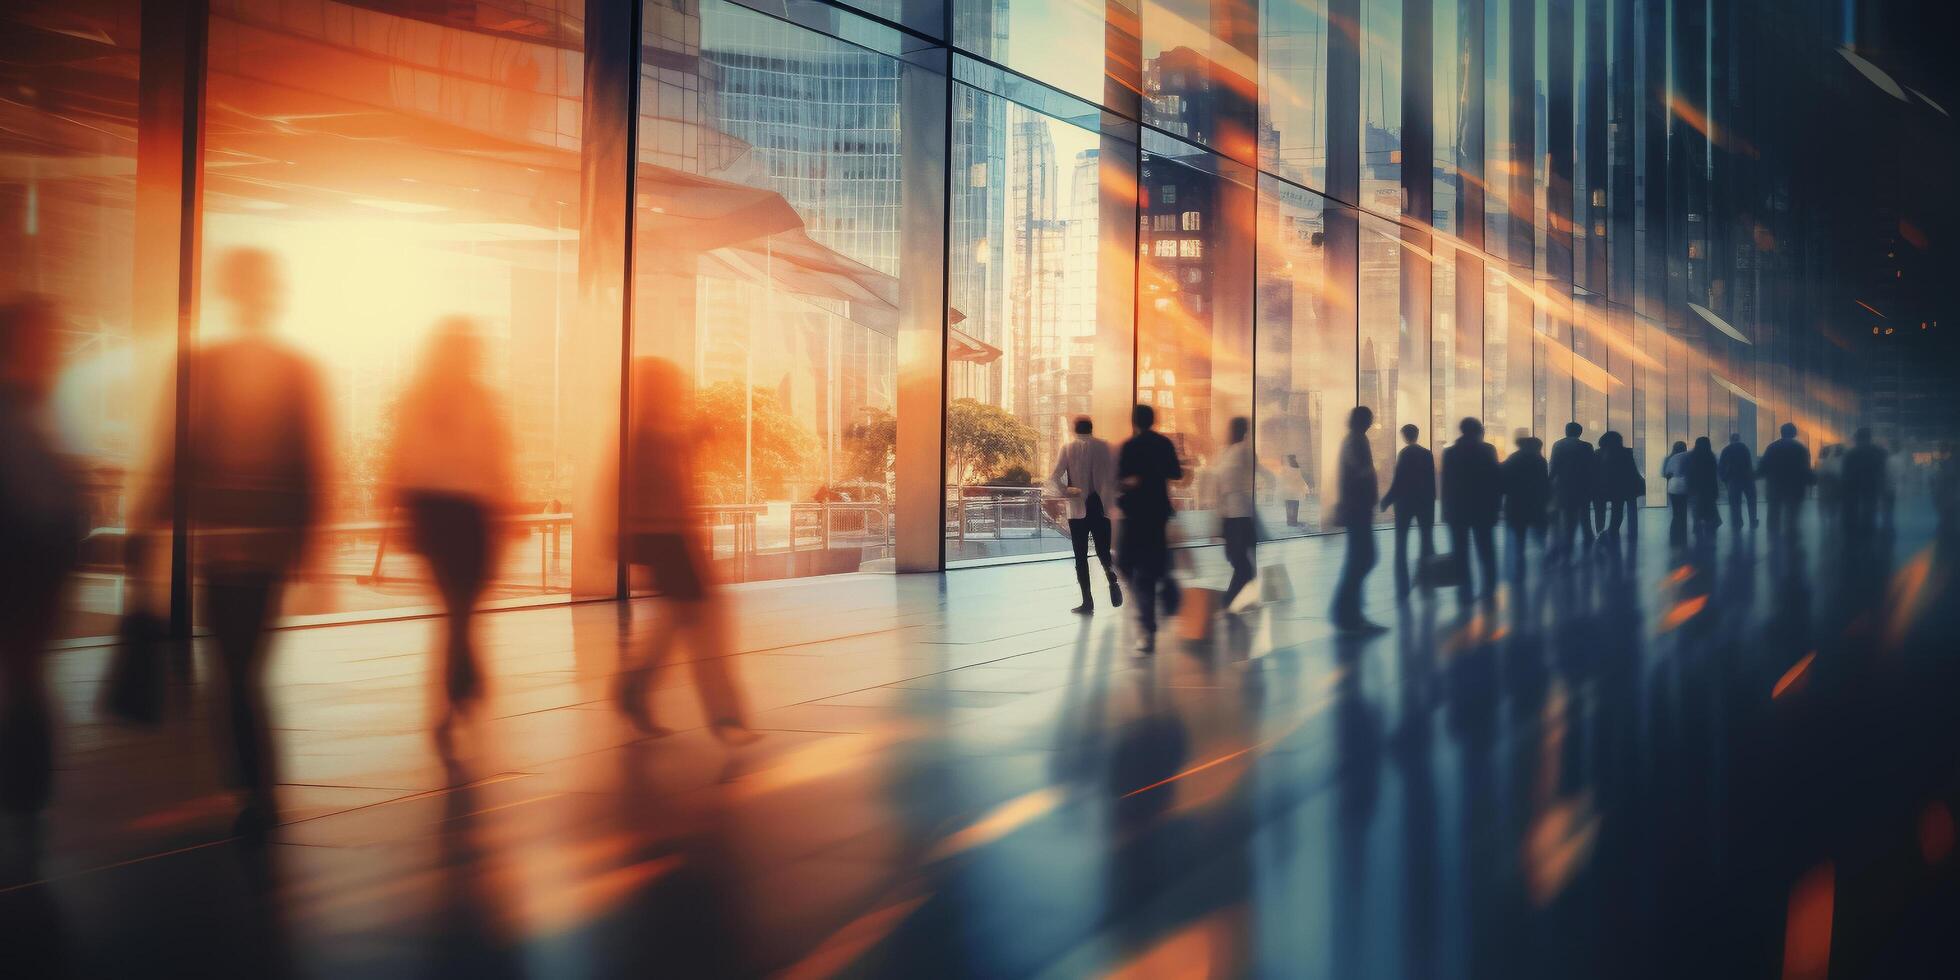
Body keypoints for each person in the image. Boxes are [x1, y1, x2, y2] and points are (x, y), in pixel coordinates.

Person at [171, 249, 328, 835]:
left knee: (233, 668)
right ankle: (256, 783)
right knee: (243, 668)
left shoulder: (207, 366)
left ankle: (253, 781)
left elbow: (183, 454)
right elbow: (309, 464)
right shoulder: (293, 370)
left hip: (232, 542)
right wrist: (308, 547)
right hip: (257, 544)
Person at [387, 319, 515, 755]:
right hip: (453, 512)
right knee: (459, 606)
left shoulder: (424, 399)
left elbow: (400, 457)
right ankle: (457, 691)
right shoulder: (458, 399)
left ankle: (463, 683)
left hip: (450, 511)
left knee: (460, 605)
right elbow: (494, 457)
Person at [615, 357, 754, 744]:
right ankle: (725, 717)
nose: (677, 391)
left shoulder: (658, 432)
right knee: (706, 622)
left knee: (677, 621)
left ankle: (634, 688)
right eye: (671, 385)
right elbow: (661, 490)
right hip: (667, 541)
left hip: (673, 539)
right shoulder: (648, 435)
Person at [0, 297, 83, 827]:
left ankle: (26, 788)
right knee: (24, 677)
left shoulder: (38, 406)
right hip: (24, 560)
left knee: (24, 676)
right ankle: (26, 788)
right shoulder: (23, 407)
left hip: (31, 564)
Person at [1116, 404, 1183, 654]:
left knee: (1128, 564)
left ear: (1134, 421)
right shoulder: (1164, 444)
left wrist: (1135, 481)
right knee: (1152, 562)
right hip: (1158, 512)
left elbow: (1123, 479)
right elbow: (1175, 473)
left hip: (1135, 513)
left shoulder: (1130, 446)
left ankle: (1148, 624)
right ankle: (1164, 587)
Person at [1049, 416, 1122, 615]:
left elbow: (1054, 476)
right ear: (1091, 428)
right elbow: (1117, 474)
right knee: (1103, 550)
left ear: (1075, 429)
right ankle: (1110, 573)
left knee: (1080, 556)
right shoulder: (1105, 447)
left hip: (1078, 507)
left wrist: (1066, 490)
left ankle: (1087, 601)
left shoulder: (1068, 448)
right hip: (1101, 507)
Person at [1329, 406, 1385, 633]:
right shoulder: (1356, 441)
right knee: (1363, 558)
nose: (1371, 423)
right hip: (1358, 509)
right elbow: (1361, 471)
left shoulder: (1354, 440)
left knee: (1360, 559)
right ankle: (1347, 612)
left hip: (1358, 508)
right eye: (1369, 419)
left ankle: (1350, 612)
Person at [1441, 418, 1501, 599]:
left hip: (1458, 509)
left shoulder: (1451, 452)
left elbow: (1447, 484)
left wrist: (1446, 510)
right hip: (1483, 509)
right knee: (1486, 550)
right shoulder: (1488, 450)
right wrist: (1497, 507)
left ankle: (1464, 590)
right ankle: (1489, 588)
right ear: (1479, 431)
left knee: (1460, 551)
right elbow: (1495, 481)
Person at [1379, 423, 1436, 595]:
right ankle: (1427, 577)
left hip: (1405, 504)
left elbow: (1399, 481)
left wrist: (1387, 500)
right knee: (1426, 540)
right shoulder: (1427, 454)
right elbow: (1431, 480)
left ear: (1404, 436)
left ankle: (1402, 581)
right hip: (1425, 503)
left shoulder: (1404, 454)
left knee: (1401, 542)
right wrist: (1431, 500)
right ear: (1417, 434)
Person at [1213, 416, 1262, 611]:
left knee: (1238, 558)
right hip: (1235, 513)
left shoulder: (1236, 452)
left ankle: (1228, 600)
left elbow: (1253, 471)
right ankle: (1229, 600)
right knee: (1238, 558)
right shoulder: (1234, 452)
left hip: (1237, 513)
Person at [1501, 432, 1551, 580]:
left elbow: (1503, 480)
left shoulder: (1513, 459)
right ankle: (1545, 559)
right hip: (1536, 504)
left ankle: (1518, 566)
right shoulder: (1540, 460)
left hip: (1516, 504)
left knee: (1518, 537)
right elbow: (1544, 484)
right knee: (1540, 535)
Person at [1548, 422, 1597, 560]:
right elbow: (1592, 467)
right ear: (1580, 433)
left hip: (1564, 486)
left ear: (1566, 431)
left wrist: (1549, 482)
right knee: (1585, 512)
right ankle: (1588, 536)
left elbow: (1554, 466)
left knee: (1568, 514)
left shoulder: (1558, 445)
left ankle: (1568, 543)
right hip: (1583, 486)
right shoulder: (1587, 446)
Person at [1756, 422, 1812, 537]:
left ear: (1781, 433)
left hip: (1775, 486)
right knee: (1792, 516)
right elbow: (1805, 469)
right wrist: (1811, 480)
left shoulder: (1772, 447)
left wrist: (1754, 476)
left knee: (1773, 513)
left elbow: (1763, 466)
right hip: (1794, 487)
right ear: (1794, 433)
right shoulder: (1800, 448)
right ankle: (1791, 538)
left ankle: (1773, 538)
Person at [1595, 431, 1644, 550]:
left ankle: (1600, 532)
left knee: (1599, 510)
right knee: (1618, 510)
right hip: (1620, 487)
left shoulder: (1597, 453)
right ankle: (1613, 530)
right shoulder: (1626, 452)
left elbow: (1594, 471)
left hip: (1601, 486)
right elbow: (1631, 471)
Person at [1840, 427, 1889, 536]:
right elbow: (1884, 471)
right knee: (1870, 509)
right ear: (1870, 438)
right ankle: (1868, 530)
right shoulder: (1880, 453)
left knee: (1853, 510)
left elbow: (1846, 475)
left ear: (1857, 438)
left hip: (1854, 488)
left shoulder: (1850, 454)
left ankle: (1855, 533)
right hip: (1873, 486)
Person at [1719, 432, 1758, 529]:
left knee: (1735, 503)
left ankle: (1737, 523)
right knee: (1751, 501)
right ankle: (1753, 521)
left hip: (1733, 480)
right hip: (1747, 479)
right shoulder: (1744, 448)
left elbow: (1721, 466)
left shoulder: (1726, 450)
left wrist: (1724, 479)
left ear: (1731, 439)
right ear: (1739, 439)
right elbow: (1749, 464)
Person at [1687, 436, 1721, 538]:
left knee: (1696, 509)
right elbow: (1714, 475)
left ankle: (1697, 528)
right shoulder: (1711, 457)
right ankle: (1709, 529)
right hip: (1709, 488)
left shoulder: (1692, 456)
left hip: (1696, 487)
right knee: (1709, 510)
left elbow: (1690, 473)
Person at [1662, 440, 1691, 545]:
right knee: (1683, 511)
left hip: (1672, 487)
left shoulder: (1668, 459)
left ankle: (1674, 534)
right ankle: (1683, 534)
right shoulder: (1688, 457)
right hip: (1685, 487)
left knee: (1675, 512)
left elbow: (1664, 473)